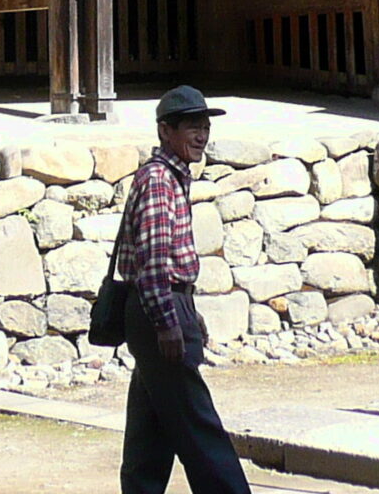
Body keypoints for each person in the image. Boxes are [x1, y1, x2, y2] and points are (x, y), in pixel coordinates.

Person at [118, 85, 251, 494]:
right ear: (165, 131)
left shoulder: (168, 176)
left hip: (160, 307)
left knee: (150, 433)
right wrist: (168, 322)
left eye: (205, 126)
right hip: (159, 308)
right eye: (193, 126)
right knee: (198, 425)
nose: (202, 135)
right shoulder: (160, 180)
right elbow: (155, 261)